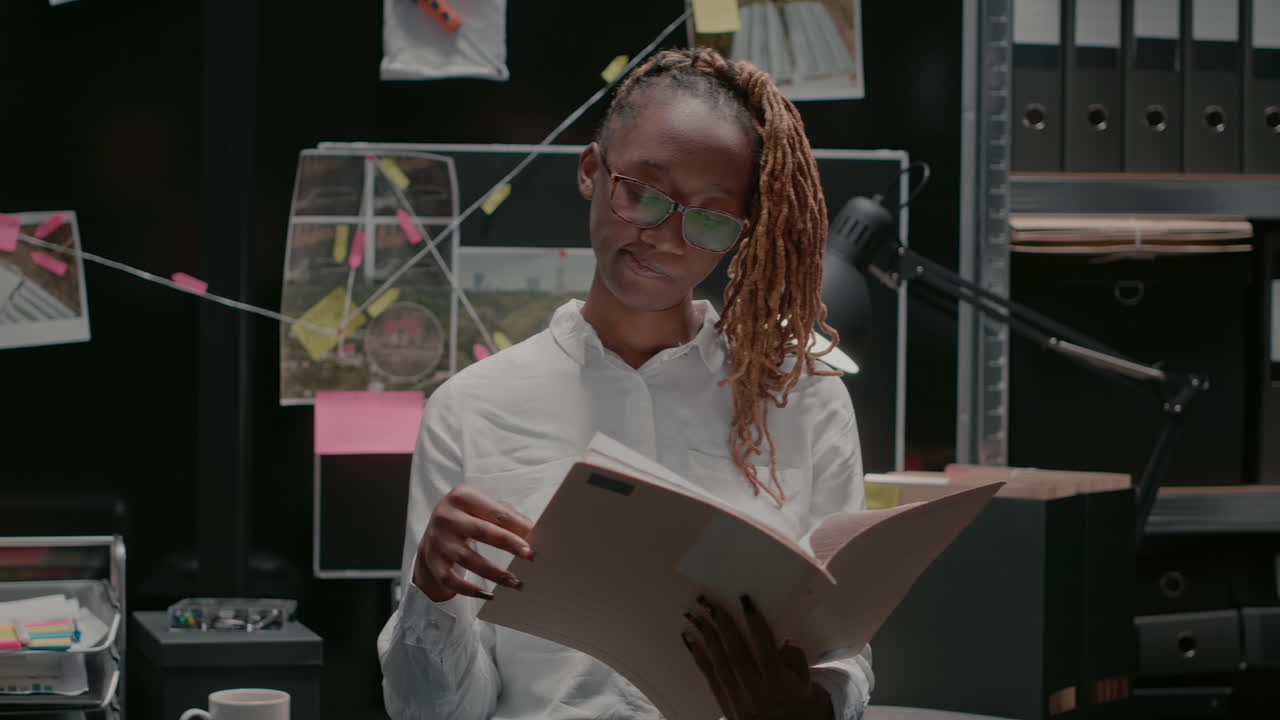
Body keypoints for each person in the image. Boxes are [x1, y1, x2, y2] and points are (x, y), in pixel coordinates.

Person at [378, 46, 873, 719]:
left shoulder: (803, 401)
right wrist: (430, 594)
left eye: (708, 216)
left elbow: (846, 659)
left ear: (739, 234)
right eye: (642, 191)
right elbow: (430, 713)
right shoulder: (472, 409)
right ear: (592, 170)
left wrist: (805, 707)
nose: (666, 238)